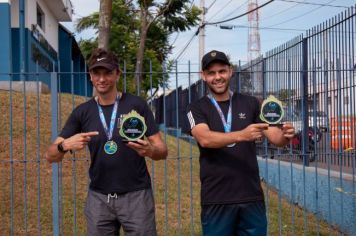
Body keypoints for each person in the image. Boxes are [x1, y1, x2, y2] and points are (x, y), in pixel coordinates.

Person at [45, 48, 167, 236]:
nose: (102, 79)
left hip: (136, 198)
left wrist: (150, 150)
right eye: (96, 73)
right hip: (99, 199)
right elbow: (51, 155)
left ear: (117, 74)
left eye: (108, 73)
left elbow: (162, 150)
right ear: (91, 76)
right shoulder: (82, 112)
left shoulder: (136, 105)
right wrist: (65, 145)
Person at [186, 50, 295, 236]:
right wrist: (242, 135)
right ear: (203, 76)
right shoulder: (197, 108)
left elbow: (276, 138)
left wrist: (286, 135)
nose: (217, 77)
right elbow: (204, 138)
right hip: (216, 199)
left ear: (230, 71)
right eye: (211, 73)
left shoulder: (251, 103)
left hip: (251, 197)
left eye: (221, 71)